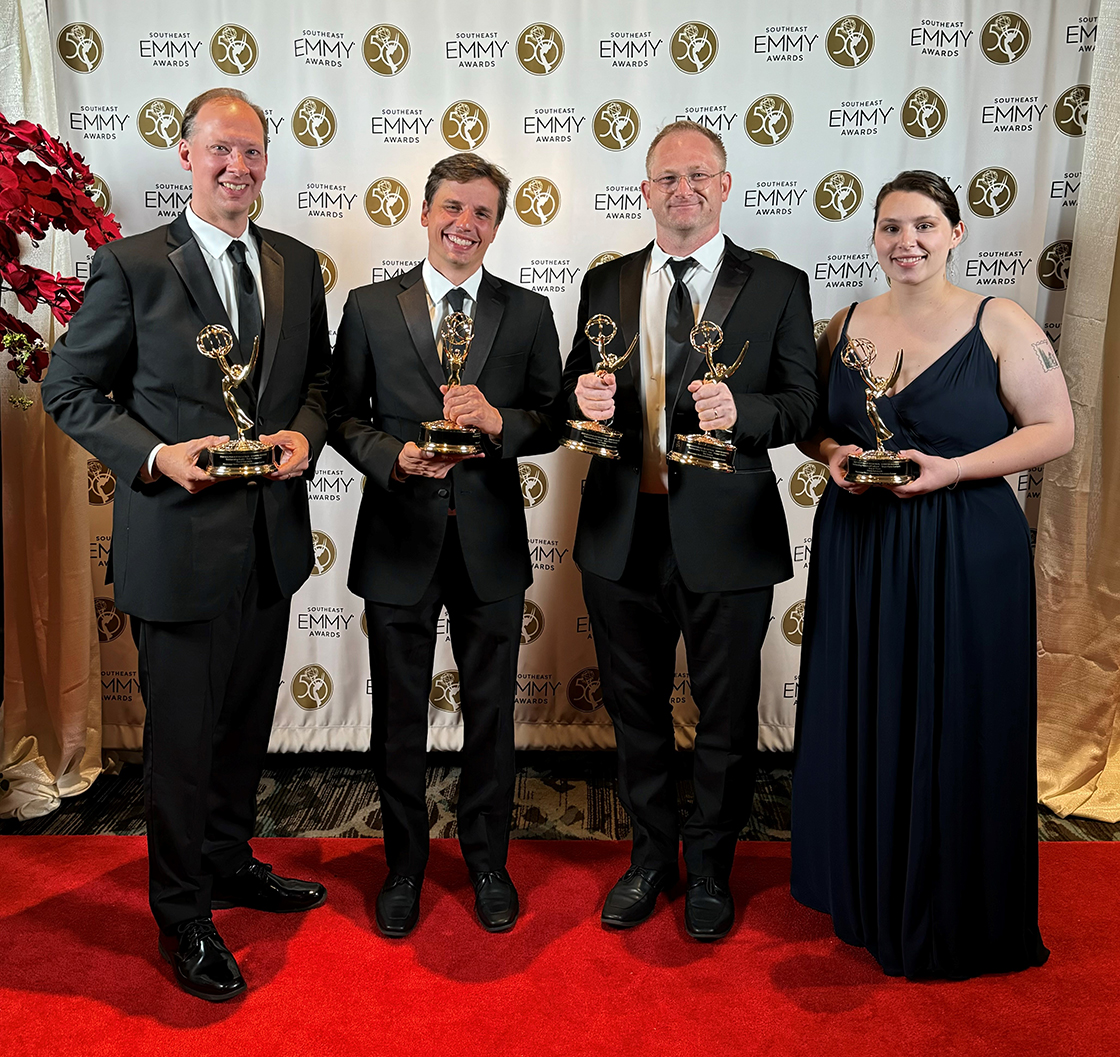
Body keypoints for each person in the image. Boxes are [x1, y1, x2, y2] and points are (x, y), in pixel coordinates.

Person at [43, 89, 331, 1001]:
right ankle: (181, 916)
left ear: (266, 163)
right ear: (185, 155)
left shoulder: (292, 262)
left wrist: (304, 437)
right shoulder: (130, 265)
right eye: (220, 150)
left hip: (270, 546)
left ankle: (228, 860)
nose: (237, 167)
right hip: (176, 546)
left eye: (251, 151)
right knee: (180, 742)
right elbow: (70, 388)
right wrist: (160, 455)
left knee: (244, 725)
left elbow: (318, 379)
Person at [790, 170, 1074, 978]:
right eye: (889, 228)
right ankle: (871, 891)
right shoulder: (842, 323)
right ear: (873, 238)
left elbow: (1056, 429)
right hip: (863, 548)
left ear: (956, 233)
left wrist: (955, 471)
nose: (905, 242)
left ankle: (955, 909)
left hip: (966, 546)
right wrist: (836, 453)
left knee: (956, 715)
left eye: (923, 226)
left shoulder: (1001, 320)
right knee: (870, 709)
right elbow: (813, 429)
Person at [561, 120, 818, 940]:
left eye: (698, 175)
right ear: (646, 192)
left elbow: (802, 406)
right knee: (634, 708)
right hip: (620, 529)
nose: (684, 190)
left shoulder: (778, 284)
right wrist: (583, 400)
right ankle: (648, 858)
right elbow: (579, 379)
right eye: (667, 178)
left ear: (725, 184)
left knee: (726, 712)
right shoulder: (606, 284)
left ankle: (710, 866)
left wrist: (744, 412)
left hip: (728, 533)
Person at [328, 153, 562, 937]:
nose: (466, 224)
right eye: (453, 208)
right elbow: (341, 415)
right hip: (398, 537)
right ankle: (403, 865)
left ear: (498, 224)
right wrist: (390, 457)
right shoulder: (367, 306)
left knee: (491, 713)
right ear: (425, 213)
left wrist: (500, 422)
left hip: (489, 545)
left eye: (483, 213)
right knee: (397, 715)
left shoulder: (527, 312)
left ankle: (488, 860)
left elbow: (552, 417)